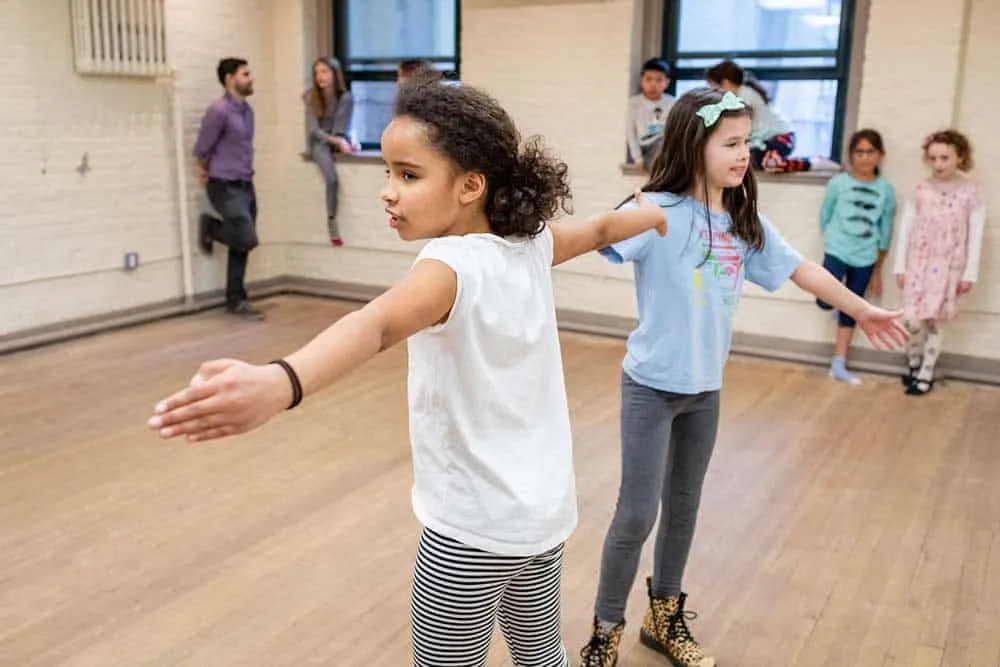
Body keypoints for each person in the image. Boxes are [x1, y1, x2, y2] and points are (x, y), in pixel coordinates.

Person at [149, 77, 667, 667]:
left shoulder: (448, 265)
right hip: (541, 521)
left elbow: (373, 326)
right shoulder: (531, 244)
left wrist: (281, 381)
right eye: (387, 174)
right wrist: (650, 216)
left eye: (408, 175)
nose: (388, 193)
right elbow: (600, 230)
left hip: (467, 532)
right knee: (540, 656)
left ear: (471, 185)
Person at [578, 88, 908, 667]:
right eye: (730, 143)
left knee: (684, 507)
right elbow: (598, 235)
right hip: (650, 388)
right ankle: (605, 630)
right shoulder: (657, 213)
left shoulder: (741, 219)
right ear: (693, 144)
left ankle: (664, 618)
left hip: (704, 390)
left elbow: (802, 268)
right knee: (636, 514)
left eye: (746, 144)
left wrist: (859, 308)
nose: (743, 155)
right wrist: (618, 210)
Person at [894, 129, 985, 395]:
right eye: (933, 158)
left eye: (944, 158)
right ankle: (912, 363)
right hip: (918, 264)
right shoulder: (921, 189)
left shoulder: (972, 192)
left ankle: (926, 372)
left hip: (949, 267)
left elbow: (976, 234)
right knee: (911, 320)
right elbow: (906, 228)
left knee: (937, 321)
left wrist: (970, 273)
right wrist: (900, 266)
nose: (938, 164)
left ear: (960, 157)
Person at [817, 128, 897, 385]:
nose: (864, 157)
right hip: (837, 250)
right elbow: (825, 215)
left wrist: (877, 271)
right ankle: (837, 305)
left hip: (865, 257)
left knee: (852, 311)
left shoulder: (886, 190)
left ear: (880, 155)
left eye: (870, 151)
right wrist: (832, 237)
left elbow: (885, 232)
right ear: (852, 155)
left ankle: (838, 364)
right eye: (859, 152)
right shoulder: (838, 183)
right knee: (825, 299)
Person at [193, 57, 264, 320]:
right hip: (224, 184)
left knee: (241, 246)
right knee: (246, 237)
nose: (251, 78)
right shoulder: (219, 111)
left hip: (246, 184)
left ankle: (236, 299)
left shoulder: (248, 112)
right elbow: (202, 147)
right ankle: (211, 227)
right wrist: (203, 168)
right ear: (230, 79)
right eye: (245, 74)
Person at [706, 60, 837, 174]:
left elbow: (738, 127)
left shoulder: (744, 96)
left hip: (781, 137)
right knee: (744, 160)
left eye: (713, 87)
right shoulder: (740, 94)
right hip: (765, 140)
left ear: (726, 83)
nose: (713, 92)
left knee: (765, 163)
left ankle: (813, 163)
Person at [304, 57, 355, 246]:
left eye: (324, 71)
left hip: (336, 137)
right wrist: (336, 141)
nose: (320, 77)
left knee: (349, 145)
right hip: (319, 142)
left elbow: (342, 127)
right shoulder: (311, 97)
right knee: (332, 178)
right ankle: (331, 220)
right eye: (317, 73)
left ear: (334, 73)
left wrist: (343, 141)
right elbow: (313, 130)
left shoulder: (345, 98)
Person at [626, 58, 675, 171]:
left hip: (666, 146)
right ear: (641, 80)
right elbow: (631, 132)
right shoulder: (635, 103)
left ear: (667, 82)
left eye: (659, 80)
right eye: (648, 79)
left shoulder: (672, 103)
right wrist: (637, 158)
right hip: (646, 146)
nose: (653, 84)